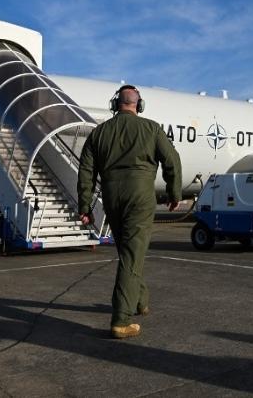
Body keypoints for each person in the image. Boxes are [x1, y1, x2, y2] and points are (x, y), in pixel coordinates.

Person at [77, 84, 182, 339]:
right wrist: (174, 193)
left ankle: (139, 301)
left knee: (129, 253)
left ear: (115, 104)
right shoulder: (151, 128)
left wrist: (85, 207)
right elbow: (172, 161)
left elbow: (86, 172)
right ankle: (121, 319)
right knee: (132, 255)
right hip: (141, 197)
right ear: (139, 105)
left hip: (112, 198)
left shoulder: (98, 133)